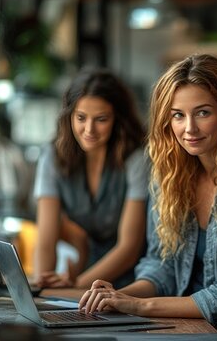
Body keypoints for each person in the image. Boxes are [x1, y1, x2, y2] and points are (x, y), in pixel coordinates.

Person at [78, 54, 217, 340]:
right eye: (178, 115)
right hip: (178, 330)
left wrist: (141, 306)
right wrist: (117, 297)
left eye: (203, 112)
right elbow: (160, 267)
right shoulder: (168, 171)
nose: (189, 128)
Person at [32, 67, 149, 289]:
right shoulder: (52, 157)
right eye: (81, 118)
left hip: (134, 281)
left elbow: (129, 248)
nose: (89, 129)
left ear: (117, 119)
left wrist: (76, 285)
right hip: (86, 275)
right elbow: (46, 239)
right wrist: (42, 287)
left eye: (101, 119)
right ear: (69, 116)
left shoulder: (136, 159)